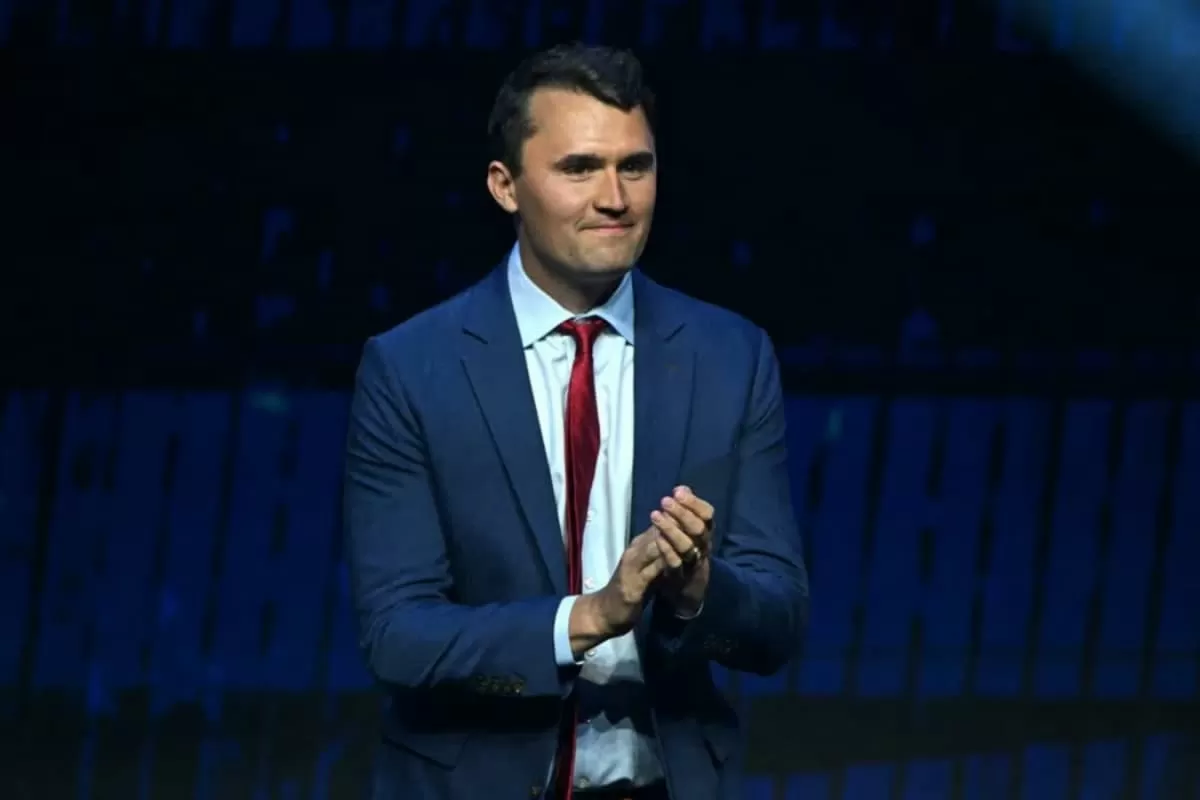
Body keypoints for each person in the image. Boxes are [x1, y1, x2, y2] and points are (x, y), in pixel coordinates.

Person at [343, 42, 808, 800]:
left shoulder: (731, 357)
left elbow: (778, 620)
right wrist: (588, 617)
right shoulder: (411, 367)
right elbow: (397, 634)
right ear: (505, 186)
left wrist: (697, 592)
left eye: (635, 167)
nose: (615, 198)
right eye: (579, 168)